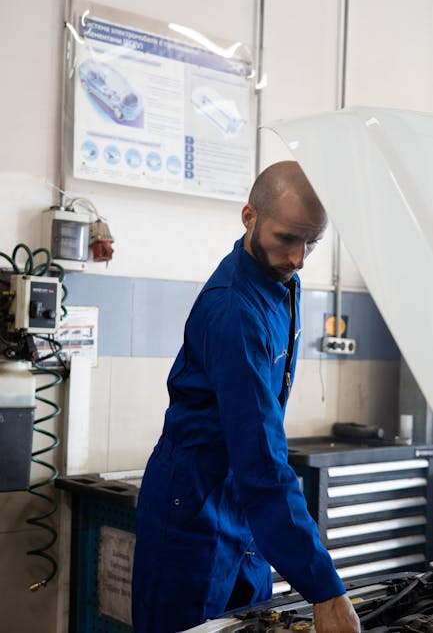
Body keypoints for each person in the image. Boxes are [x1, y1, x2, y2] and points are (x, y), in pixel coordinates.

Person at [132, 161, 360, 633]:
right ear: (248, 216)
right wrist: (325, 589)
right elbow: (261, 457)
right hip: (193, 508)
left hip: (245, 507)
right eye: (287, 238)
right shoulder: (236, 310)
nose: (299, 257)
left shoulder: (280, 281)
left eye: (312, 242)